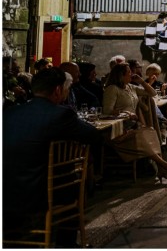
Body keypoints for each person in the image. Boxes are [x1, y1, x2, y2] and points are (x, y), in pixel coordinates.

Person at [3, 67, 103, 245]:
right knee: (71, 177)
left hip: (6, 188)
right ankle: (67, 244)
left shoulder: (9, 113)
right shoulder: (61, 115)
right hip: (39, 193)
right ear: (58, 90)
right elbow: (94, 136)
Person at [103, 62, 167, 181]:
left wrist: (141, 82)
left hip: (133, 125)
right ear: (121, 75)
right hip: (119, 129)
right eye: (129, 72)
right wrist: (127, 113)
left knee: (151, 132)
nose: (132, 74)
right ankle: (164, 166)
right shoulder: (112, 89)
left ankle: (161, 169)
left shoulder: (130, 87)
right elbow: (107, 110)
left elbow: (152, 93)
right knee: (142, 136)